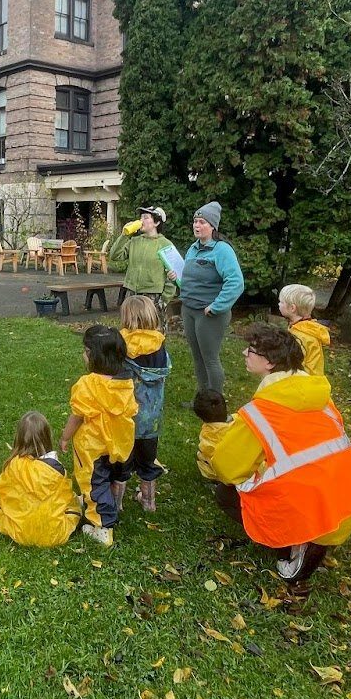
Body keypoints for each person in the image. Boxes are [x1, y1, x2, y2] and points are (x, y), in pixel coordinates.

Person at [210, 325, 351, 582]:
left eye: (251, 351)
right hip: (348, 495)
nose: (244, 353)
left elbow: (226, 466)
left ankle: (292, 543)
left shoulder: (261, 411)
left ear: (270, 363)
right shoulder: (321, 398)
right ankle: (312, 537)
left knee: (225, 491)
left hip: (307, 501)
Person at [60, 325, 136, 546]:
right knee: (108, 478)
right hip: (119, 444)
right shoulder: (125, 383)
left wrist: (65, 437)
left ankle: (103, 526)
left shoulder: (87, 385)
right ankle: (105, 503)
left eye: (85, 350)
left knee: (94, 483)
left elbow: (77, 416)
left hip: (92, 447)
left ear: (93, 356)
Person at [179, 202, 245, 395]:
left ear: (213, 226)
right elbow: (193, 279)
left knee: (210, 358)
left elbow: (236, 282)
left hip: (208, 314)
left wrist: (217, 306)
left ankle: (216, 404)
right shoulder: (193, 248)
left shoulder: (222, 250)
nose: (197, 226)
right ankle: (202, 399)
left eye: (202, 222)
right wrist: (178, 279)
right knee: (197, 357)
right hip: (189, 309)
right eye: (195, 221)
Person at [0, 411, 80, 548]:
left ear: (19, 438)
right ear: (47, 437)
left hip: (17, 530)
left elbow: (3, 491)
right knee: (73, 501)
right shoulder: (56, 468)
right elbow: (64, 496)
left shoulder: (12, 465)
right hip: (54, 533)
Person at [119, 295, 172, 512]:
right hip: (151, 420)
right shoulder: (159, 346)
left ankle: (116, 503)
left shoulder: (121, 345)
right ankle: (149, 502)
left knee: (121, 462)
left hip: (126, 417)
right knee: (148, 462)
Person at [109, 205, 180, 308]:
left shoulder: (166, 245)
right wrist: (124, 235)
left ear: (157, 222)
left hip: (152, 296)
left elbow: (174, 275)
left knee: (151, 324)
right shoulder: (134, 241)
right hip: (132, 294)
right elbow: (115, 255)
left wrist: (163, 301)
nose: (141, 221)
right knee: (131, 324)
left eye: (146, 217)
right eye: (141, 217)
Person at [279, 284, 329, 377]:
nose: (279, 304)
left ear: (292, 308)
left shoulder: (299, 335)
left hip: (302, 382)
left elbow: (293, 363)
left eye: (281, 302)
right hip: (314, 379)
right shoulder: (309, 329)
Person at [193, 389, 230, 483]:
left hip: (222, 474)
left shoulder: (207, 434)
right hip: (246, 470)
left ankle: (214, 479)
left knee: (200, 456)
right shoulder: (239, 424)